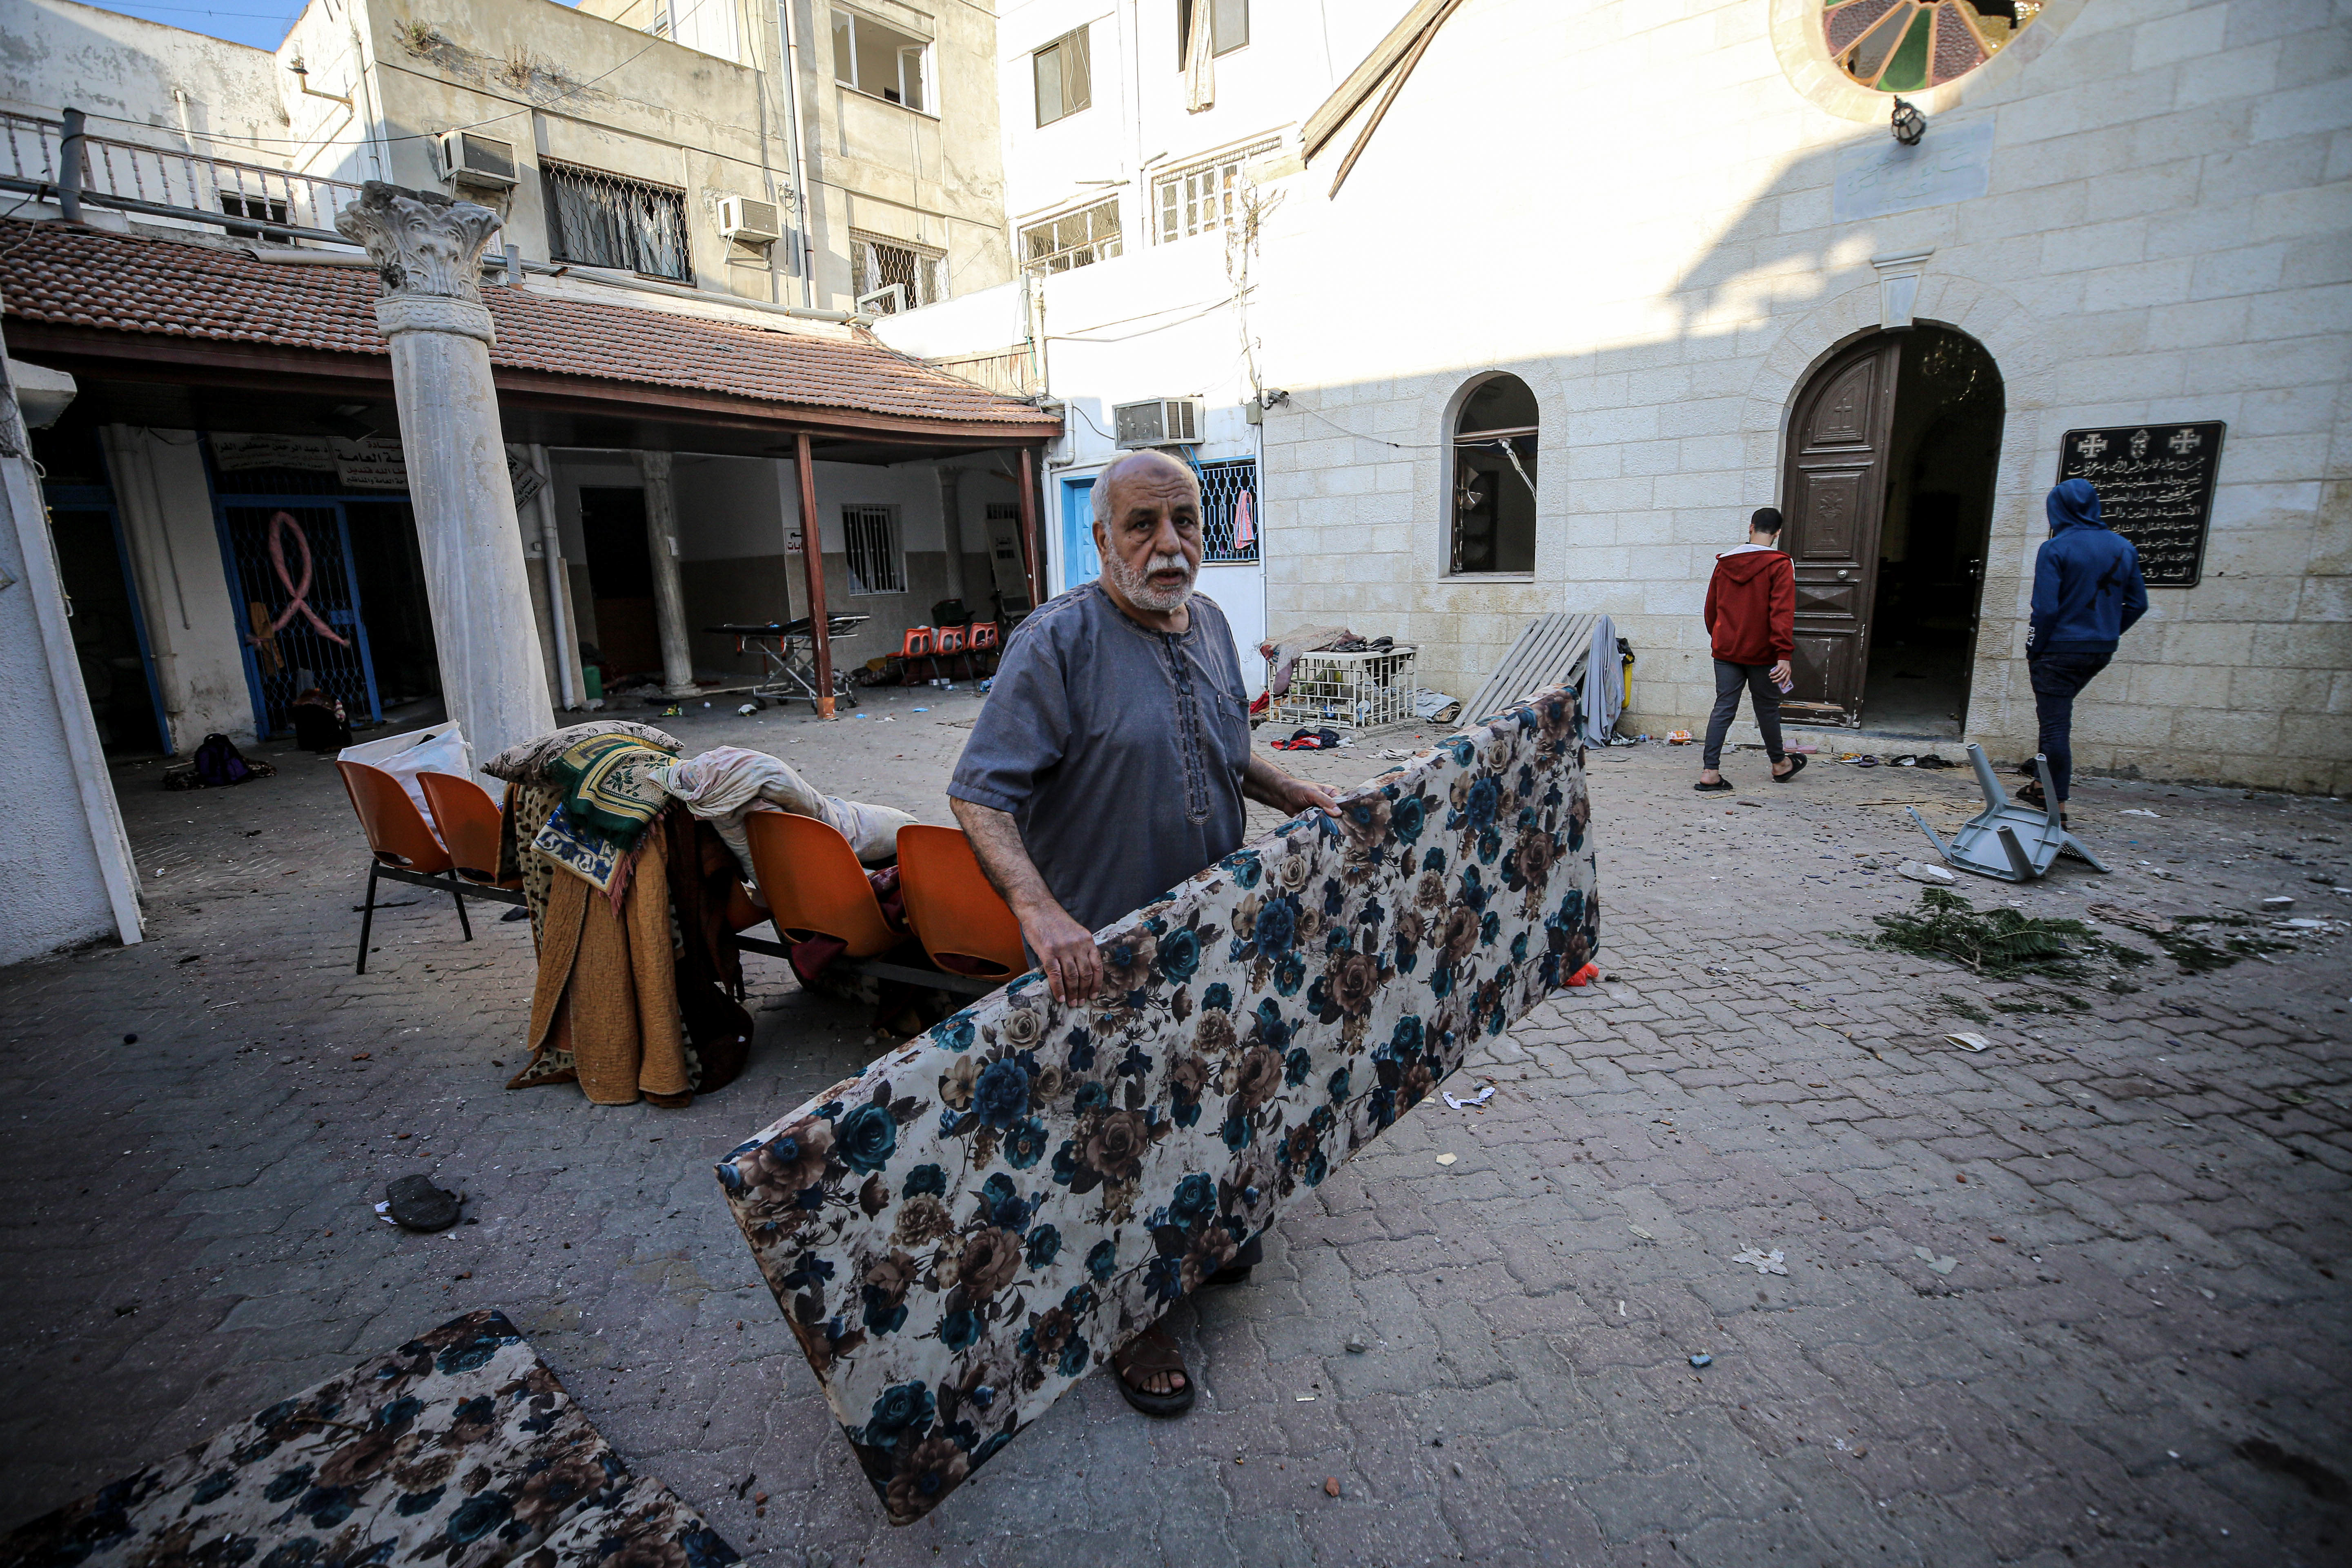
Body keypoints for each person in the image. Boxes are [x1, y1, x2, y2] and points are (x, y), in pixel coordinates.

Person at [947, 448, 1338, 1419]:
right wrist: (1039, 909)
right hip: (1105, 953)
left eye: (1183, 521)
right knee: (1115, 1138)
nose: (1167, 545)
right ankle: (1130, 1312)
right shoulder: (1056, 644)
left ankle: (1204, 1240)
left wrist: (1281, 783)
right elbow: (977, 791)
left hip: (1214, 936)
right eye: (1141, 525)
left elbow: (1218, 738)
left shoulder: (1207, 620)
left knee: (1212, 1096)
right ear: (1101, 537)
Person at [2022, 477, 2147, 820]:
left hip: (2058, 649)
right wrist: (2107, 632)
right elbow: (2137, 604)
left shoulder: (2056, 548)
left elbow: (2045, 609)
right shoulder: (2123, 548)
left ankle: (2055, 804)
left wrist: (2034, 647)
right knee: (2055, 719)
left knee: (2055, 727)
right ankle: (2039, 784)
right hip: (2100, 650)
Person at [1696, 507, 1805, 792]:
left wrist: (1721, 638)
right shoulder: (1780, 564)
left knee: (1723, 707)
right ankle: (1780, 765)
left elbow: (1711, 608)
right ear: (1778, 533)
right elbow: (1781, 611)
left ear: (1751, 527)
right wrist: (1784, 654)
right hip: (1763, 653)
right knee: (1767, 708)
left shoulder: (1725, 563)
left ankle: (1710, 773)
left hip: (1726, 651)